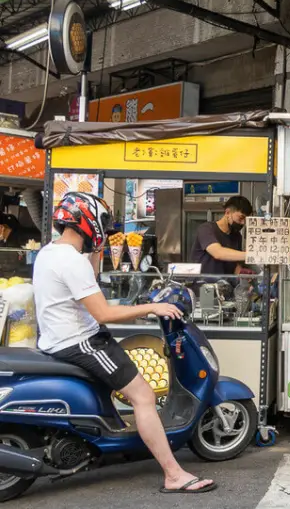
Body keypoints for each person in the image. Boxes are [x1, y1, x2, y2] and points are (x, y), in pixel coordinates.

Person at [33, 192, 216, 494]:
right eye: (102, 225)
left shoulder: (50, 252)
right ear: (88, 221)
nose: (104, 231)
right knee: (143, 396)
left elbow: (85, 286)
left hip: (58, 338)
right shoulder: (69, 261)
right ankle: (173, 474)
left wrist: (95, 252)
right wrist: (151, 308)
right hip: (81, 341)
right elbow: (104, 312)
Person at [190, 196, 253, 275]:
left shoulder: (236, 236)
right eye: (241, 218)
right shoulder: (206, 229)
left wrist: (242, 274)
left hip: (225, 285)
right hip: (203, 284)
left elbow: (234, 266)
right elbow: (218, 253)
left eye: (245, 220)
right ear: (227, 213)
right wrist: (253, 255)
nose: (243, 223)